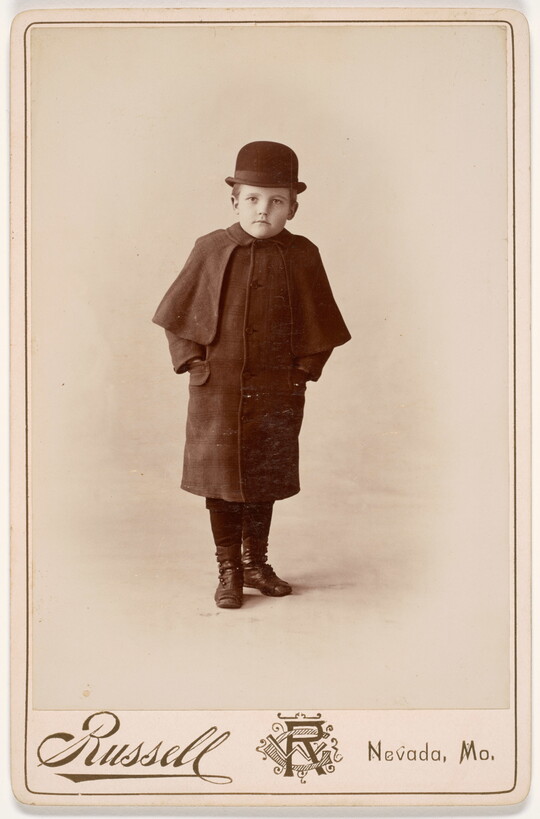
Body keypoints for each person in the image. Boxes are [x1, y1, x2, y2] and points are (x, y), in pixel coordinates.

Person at [153, 141, 351, 609]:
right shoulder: (210, 248)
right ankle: (228, 569)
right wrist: (192, 363)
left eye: (277, 201)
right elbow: (176, 317)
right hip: (216, 390)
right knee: (220, 482)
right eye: (253, 199)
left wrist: (302, 373)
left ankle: (256, 563)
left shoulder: (303, 254)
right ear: (235, 200)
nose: (264, 210)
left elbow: (322, 325)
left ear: (293, 207)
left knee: (264, 476)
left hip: (277, 390)